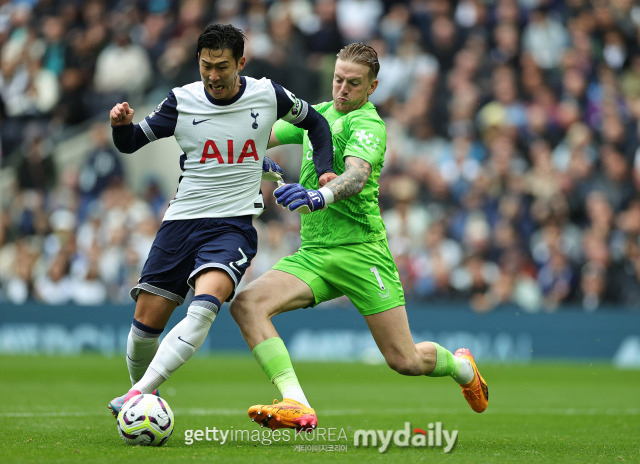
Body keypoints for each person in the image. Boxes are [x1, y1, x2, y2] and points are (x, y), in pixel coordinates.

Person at [229, 43, 488, 431]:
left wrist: (319, 195)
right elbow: (257, 134)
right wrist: (244, 155)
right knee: (246, 304)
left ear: (372, 87)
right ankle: (295, 402)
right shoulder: (317, 115)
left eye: (353, 83)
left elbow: (356, 175)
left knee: (405, 360)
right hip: (314, 254)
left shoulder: (368, 124)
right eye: (338, 80)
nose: (342, 89)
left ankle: (463, 368)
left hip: (362, 253)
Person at [106, 24, 334, 417]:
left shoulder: (268, 95)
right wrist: (120, 125)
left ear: (241, 63)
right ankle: (141, 395)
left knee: (205, 306)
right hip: (181, 222)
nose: (212, 75)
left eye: (222, 67)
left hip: (233, 226)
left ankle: (135, 396)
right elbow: (131, 144)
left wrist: (326, 170)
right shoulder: (181, 101)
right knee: (145, 326)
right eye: (206, 66)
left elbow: (317, 122)